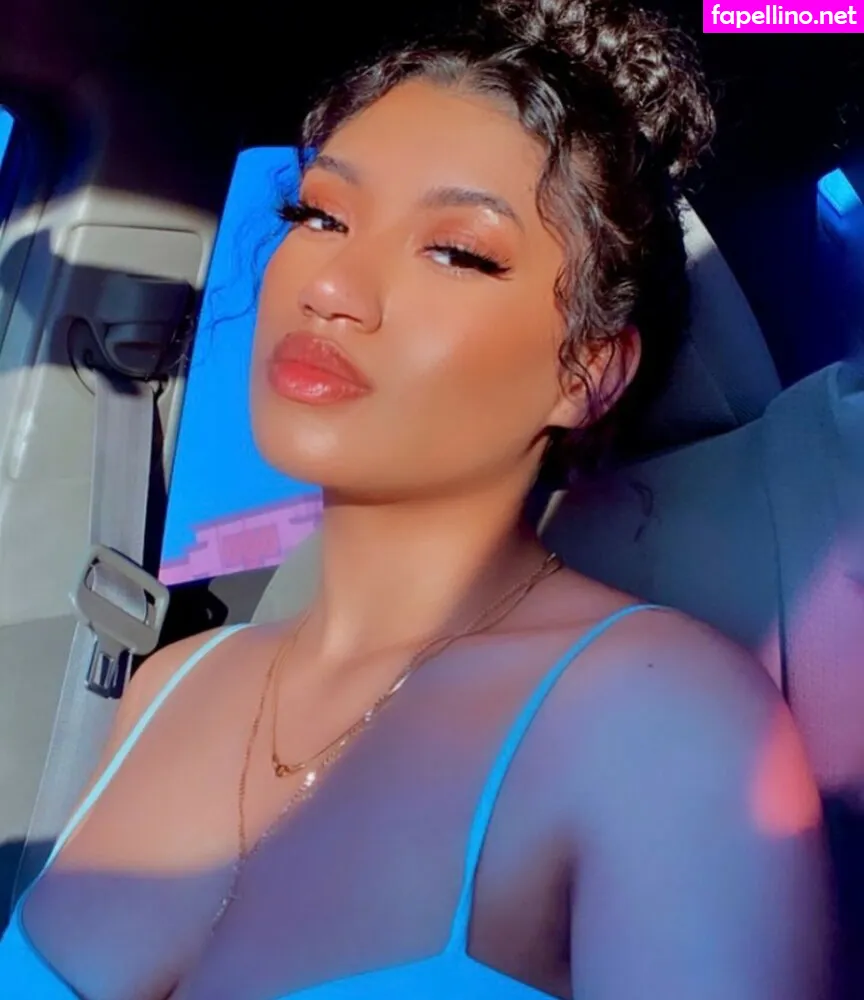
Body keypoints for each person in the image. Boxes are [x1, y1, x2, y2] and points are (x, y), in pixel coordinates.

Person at [0, 0, 832, 997]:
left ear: (589, 372)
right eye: (320, 215)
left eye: (457, 250)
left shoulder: (662, 725)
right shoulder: (168, 685)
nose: (331, 287)